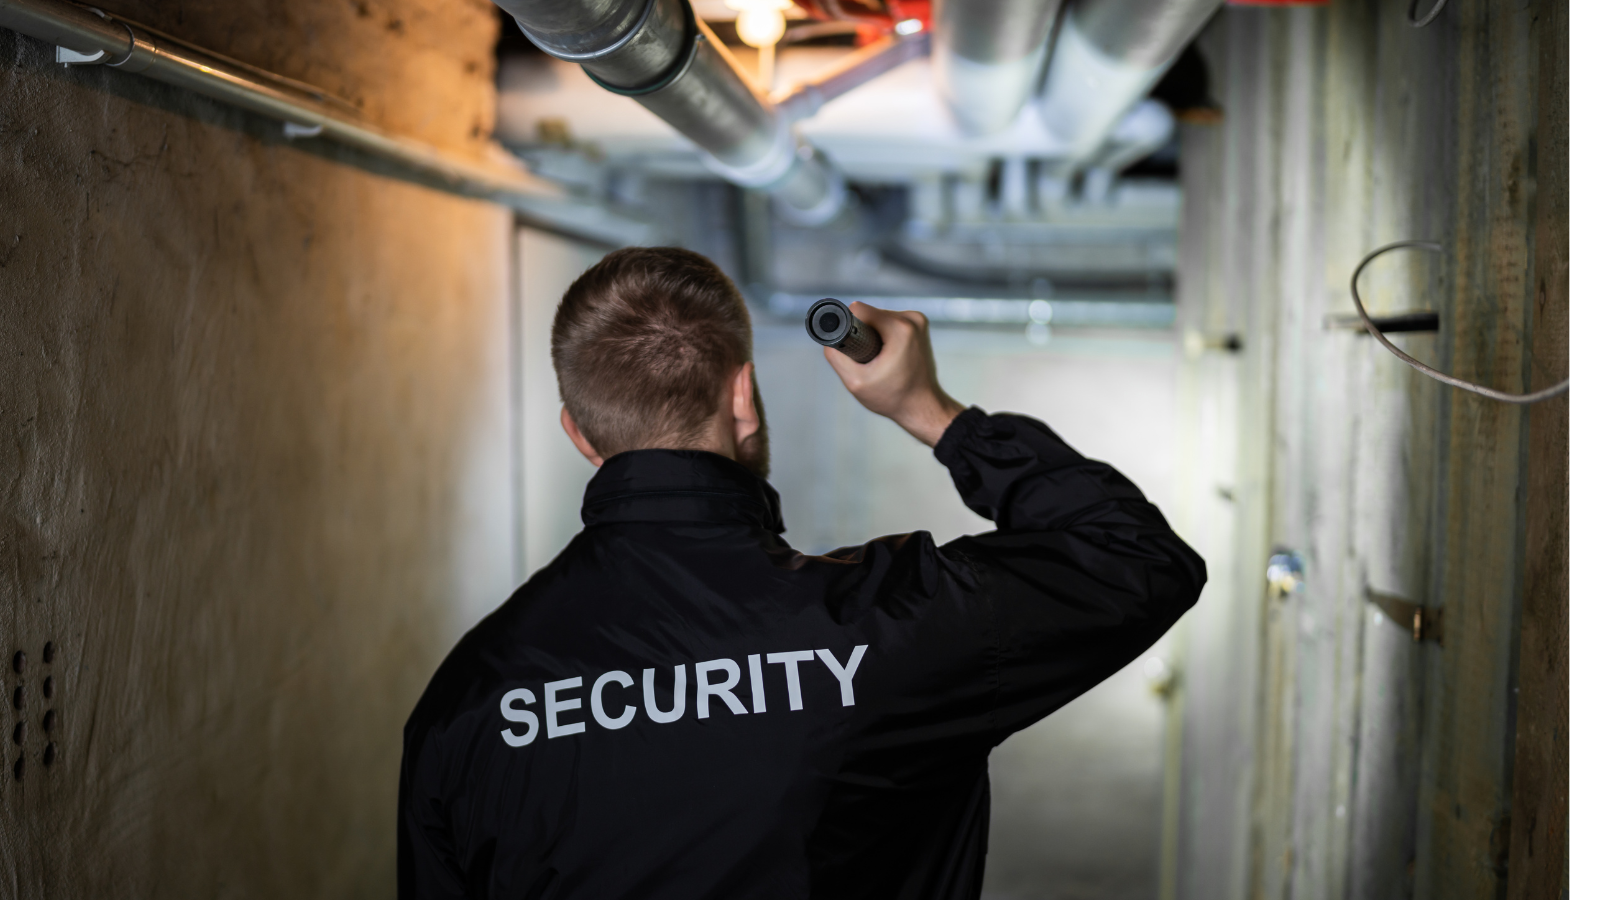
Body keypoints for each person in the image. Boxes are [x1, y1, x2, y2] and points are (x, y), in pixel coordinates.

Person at [398, 247, 1206, 899]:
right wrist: (929, 409)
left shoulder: (465, 702)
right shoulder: (889, 628)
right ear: (743, 399)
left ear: (579, 433)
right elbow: (1138, 557)